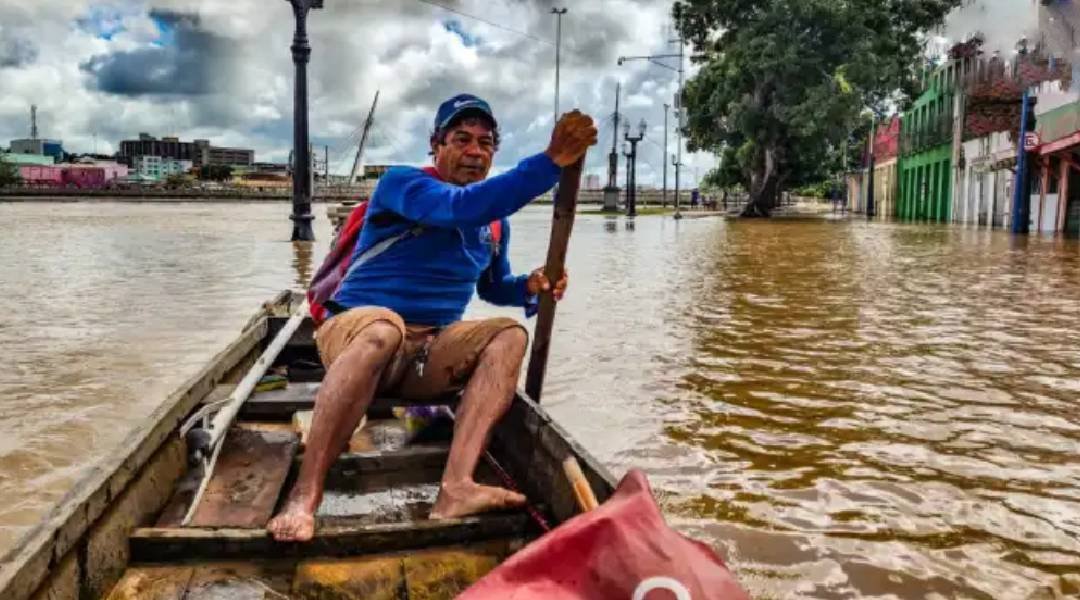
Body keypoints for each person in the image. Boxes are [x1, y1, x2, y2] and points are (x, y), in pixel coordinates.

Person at [267, 94, 598, 542]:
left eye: (485, 143)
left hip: (426, 355)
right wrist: (550, 162)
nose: (475, 151)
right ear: (435, 146)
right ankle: (304, 496)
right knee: (384, 330)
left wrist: (530, 286)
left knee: (509, 337)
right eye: (461, 139)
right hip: (358, 336)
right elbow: (461, 207)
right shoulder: (402, 185)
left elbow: (492, 286)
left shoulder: (494, 224)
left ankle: (457, 487)